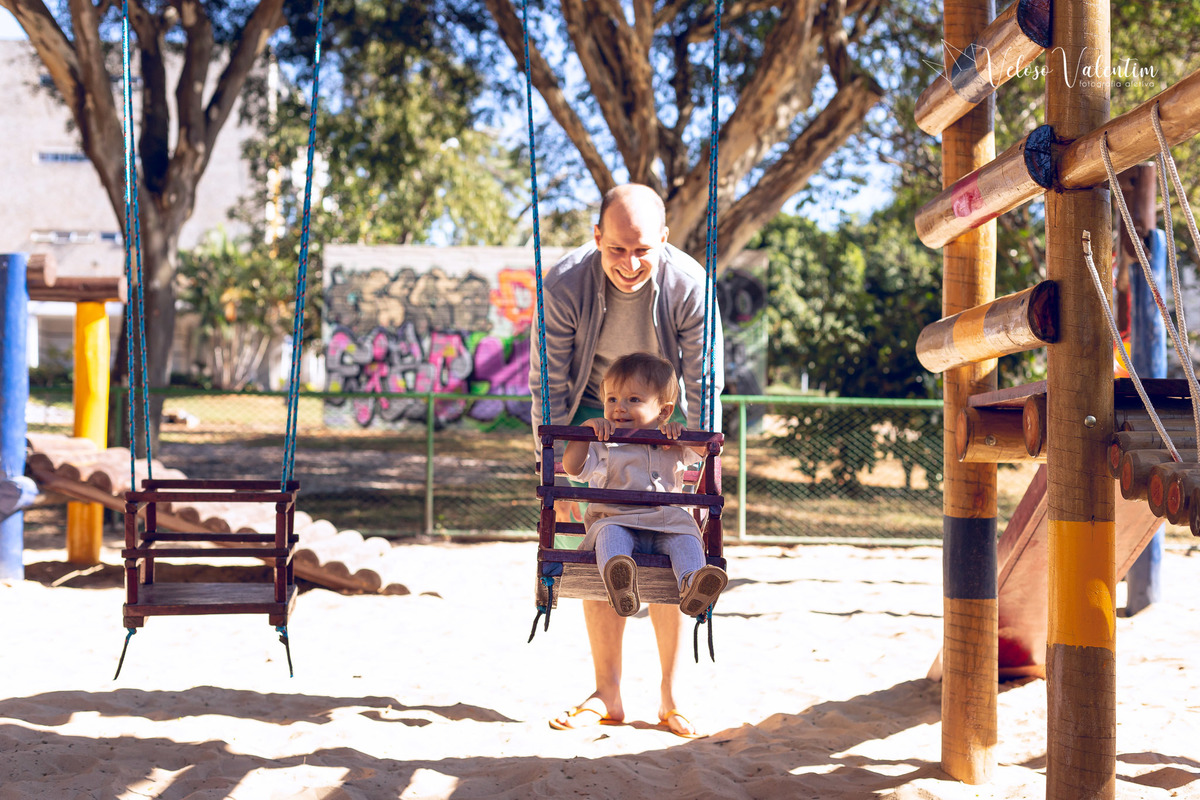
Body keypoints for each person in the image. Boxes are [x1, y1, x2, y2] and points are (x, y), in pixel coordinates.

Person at [529, 183, 723, 738]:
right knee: (599, 533)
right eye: (616, 249)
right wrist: (555, 478)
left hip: (665, 409)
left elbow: (705, 380)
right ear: (597, 239)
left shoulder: (688, 284)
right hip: (595, 407)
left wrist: (703, 467)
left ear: (664, 239)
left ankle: (671, 693)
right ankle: (606, 691)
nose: (631, 263)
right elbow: (549, 383)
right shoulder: (565, 284)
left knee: (669, 524)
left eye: (643, 249)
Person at [562, 352, 728, 619]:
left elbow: (706, 451)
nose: (619, 407)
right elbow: (573, 467)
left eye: (633, 400)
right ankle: (620, 583)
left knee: (686, 537)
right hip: (619, 520)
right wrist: (584, 433)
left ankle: (692, 584)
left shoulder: (671, 444)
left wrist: (681, 438)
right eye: (612, 399)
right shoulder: (604, 445)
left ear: (663, 411)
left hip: (666, 525)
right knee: (609, 534)